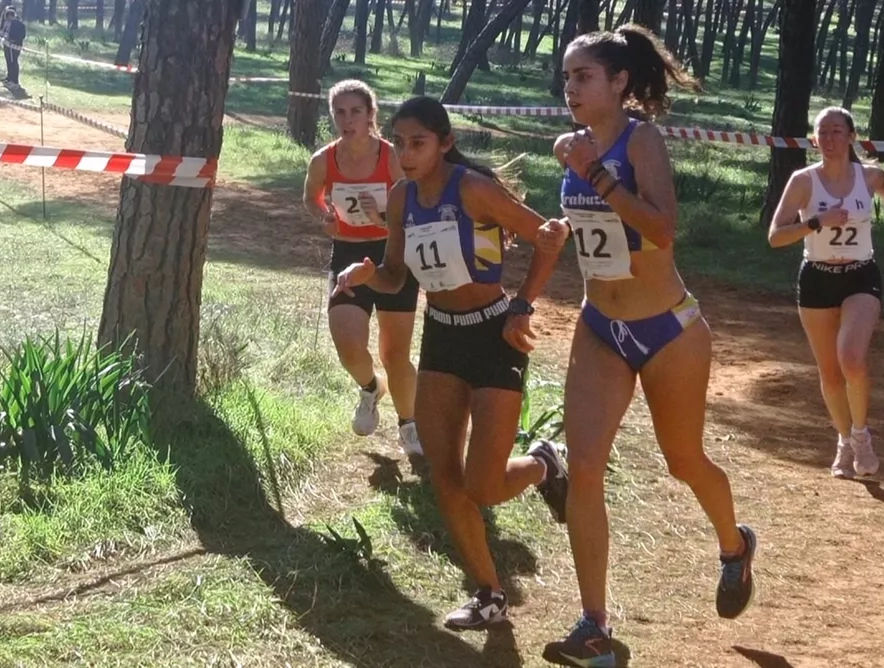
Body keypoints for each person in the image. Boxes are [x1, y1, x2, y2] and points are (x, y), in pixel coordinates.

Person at [541, 25, 757, 667]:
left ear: (620, 82)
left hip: (669, 330)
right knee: (583, 468)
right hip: (601, 327)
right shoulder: (570, 147)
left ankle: (734, 546)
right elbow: (595, 239)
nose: (571, 88)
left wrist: (598, 178)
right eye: (567, 78)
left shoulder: (643, 140)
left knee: (684, 460)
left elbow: (662, 231)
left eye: (583, 76)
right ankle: (594, 628)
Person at [333, 96, 572, 631]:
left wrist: (523, 304)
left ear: (445, 143)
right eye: (398, 142)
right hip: (442, 337)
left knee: (483, 485)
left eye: (417, 142)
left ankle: (544, 465)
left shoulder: (473, 188)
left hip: (493, 334)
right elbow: (398, 276)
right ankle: (489, 592)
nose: (405, 153)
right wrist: (369, 273)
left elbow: (551, 236)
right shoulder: (400, 198)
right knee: (444, 478)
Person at [768, 106, 884, 479]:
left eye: (836, 131)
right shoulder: (803, 181)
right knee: (830, 373)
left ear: (851, 136)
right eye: (822, 133)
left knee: (852, 359)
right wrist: (816, 222)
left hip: (860, 276)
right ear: (814, 140)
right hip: (816, 278)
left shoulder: (871, 177)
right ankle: (844, 440)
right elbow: (775, 236)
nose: (829, 139)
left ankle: (861, 435)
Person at [302, 80, 422, 454]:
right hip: (348, 255)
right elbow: (311, 197)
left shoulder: (391, 157)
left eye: (355, 111)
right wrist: (324, 217)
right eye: (339, 112)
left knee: (394, 353)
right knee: (347, 344)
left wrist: (384, 216)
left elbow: (415, 208)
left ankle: (409, 425)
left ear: (372, 115)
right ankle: (371, 388)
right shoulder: (324, 159)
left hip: (392, 256)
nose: (346, 119)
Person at [0, 8, 26, 87]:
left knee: (13, 62)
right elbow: (5, 32)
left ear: (11, 16)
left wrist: (13, 40)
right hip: (7, 45)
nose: (7, 20)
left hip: (14, 46)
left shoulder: (18, 24)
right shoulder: (8, 23)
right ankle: (9, 78)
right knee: (9, 61)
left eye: (8, 18)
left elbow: (22, 35)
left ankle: (15, 81)